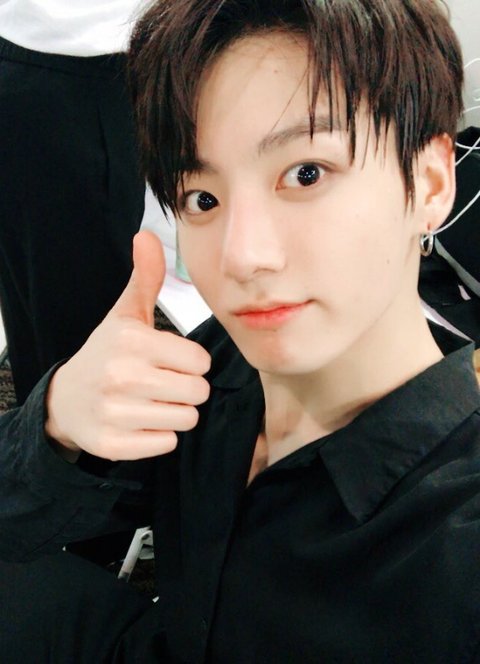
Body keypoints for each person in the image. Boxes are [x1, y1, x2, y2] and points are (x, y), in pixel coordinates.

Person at [1, 0, 480, 662]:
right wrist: (57, 423)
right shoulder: (214, 370)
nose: (241, 256)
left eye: (305, 174)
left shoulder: (454, 549)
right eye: (203, 198)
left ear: (428, 183)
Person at [0, 0, 146, 405]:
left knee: (33, 292)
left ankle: (41, 420)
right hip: (76, 64)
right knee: (83, 321)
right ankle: (61, 431)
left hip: (30, 52)